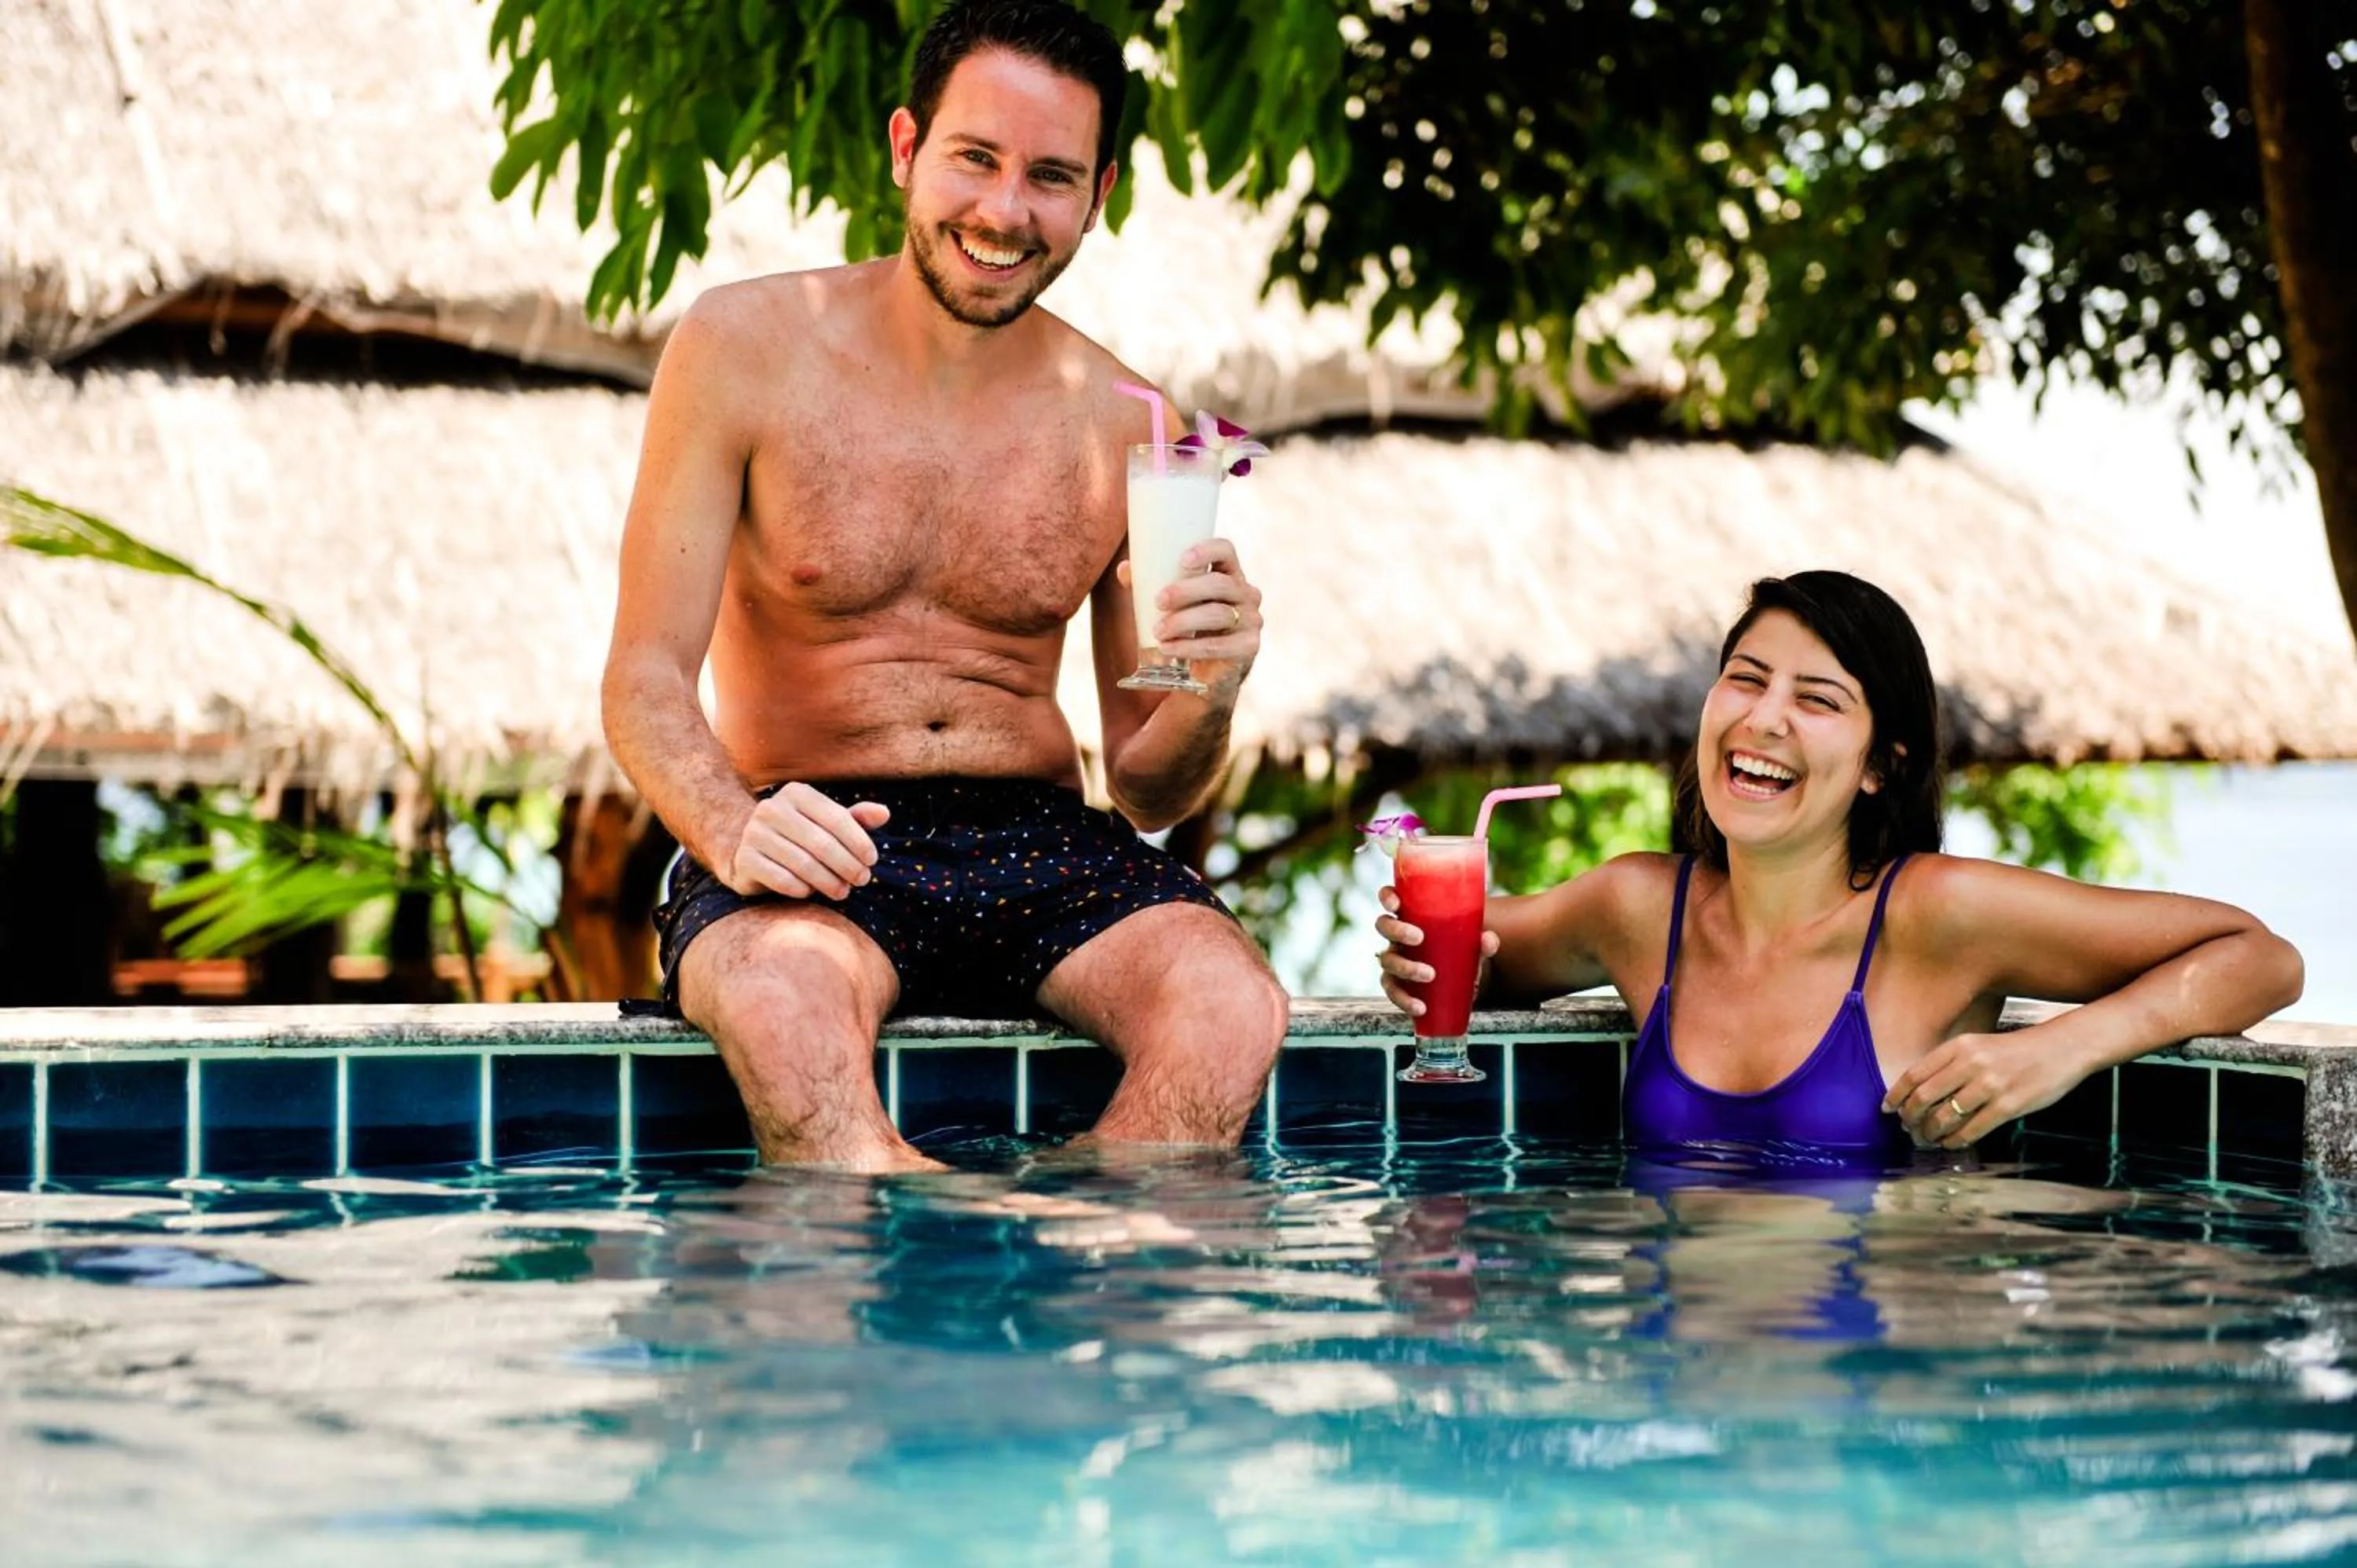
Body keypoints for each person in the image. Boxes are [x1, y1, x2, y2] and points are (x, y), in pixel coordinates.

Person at [603, 0, 1287, 1172]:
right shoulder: (742, 349)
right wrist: (732, 826)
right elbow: (644, 677)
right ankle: (939, 1234)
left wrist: (1213, 693)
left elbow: (1147, 786)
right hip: (811, 831)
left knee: (1231, 1008)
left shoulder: (1132, 424)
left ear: (1098, 196)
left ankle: (1074, 1241)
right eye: (975, 158)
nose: (1005, 212)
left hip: (1042, 842)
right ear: (907, 147)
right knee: (779, 1008)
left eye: (1051, 177)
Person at [1375, 570, 2304, 1167]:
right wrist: (1422, 959)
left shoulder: (1936, 916)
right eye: (1746, 678)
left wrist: (2059, 1049)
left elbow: (2261, 957)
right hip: (1679, 1386)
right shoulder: (1639, 907)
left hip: (1873, 1394)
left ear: (1878, 766)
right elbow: (1481, 960)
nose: (1764, 717)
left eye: (1817, 699)